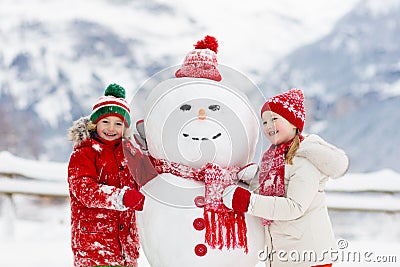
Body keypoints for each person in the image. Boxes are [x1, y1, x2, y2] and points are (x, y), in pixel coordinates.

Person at [222, 88, 349, 267]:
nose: (268, 126)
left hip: (309, 257)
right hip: (286, 255)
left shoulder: (305, 161)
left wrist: (249, 202)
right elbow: (274, 193)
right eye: (264, 122)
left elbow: (294, 206)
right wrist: (255, 179)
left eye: (274, 119)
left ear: (293, 122)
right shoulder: (274, 158)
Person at [67, 83, 157, 267]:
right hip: (95, 246)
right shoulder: (84, 153)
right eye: (105, 122)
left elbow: (151, 176)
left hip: (126, 246)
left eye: (118, 124)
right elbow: (84, 190)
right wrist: (121, 197)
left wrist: (150, 150)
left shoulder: (131, 152)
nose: (111, 128)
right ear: (95, 123)